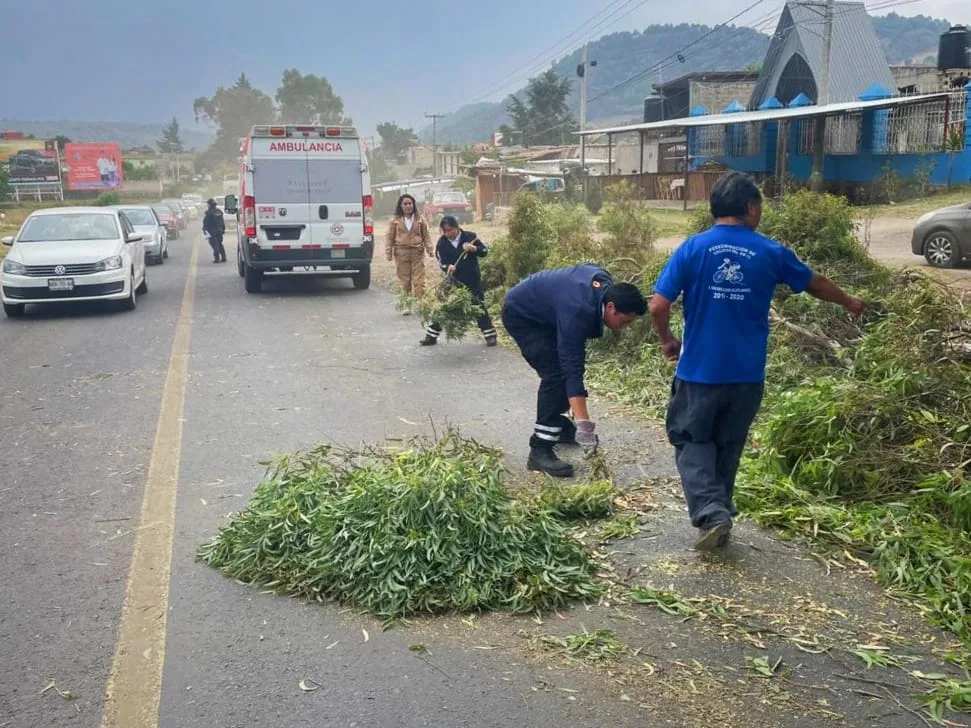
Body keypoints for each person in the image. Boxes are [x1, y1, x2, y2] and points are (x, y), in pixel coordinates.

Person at [649, 172, 865, 551]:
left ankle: (713, 514)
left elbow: (658, 305)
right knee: (729, 442)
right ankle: (720, 512)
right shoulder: (769, 252)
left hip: (699, 371)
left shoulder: (693, 248)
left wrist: (668, 340)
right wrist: (849, 301)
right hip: (747, 375)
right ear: (750, 208)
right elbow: (814, 283)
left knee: (691, 438)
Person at [502, 264, 648, 478]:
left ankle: (557, 426)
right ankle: (540, 449)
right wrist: (584, 424)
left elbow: (588, 269)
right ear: (610, 308)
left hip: (548, 312)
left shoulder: (604, 284)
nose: (625, 327)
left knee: (563, 376)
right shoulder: (577, 311)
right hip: (522, 316)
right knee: (556, 376)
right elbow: (572, 368)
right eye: (625, 321)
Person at [420, 215, 497, 347]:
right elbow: (441, 261)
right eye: (445, 231)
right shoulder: (442, 243)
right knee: (445, 307)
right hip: (453, 280)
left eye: (450, 230)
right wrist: (447, 267)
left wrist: (474, 249)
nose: (447, 233)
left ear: (456, 228)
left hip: (472, 279)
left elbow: (484, 251)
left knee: (479, 306)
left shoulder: (470, 237)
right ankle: (431, 336)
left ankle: (490, 335)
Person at [385, 194, 432, 312]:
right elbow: (389, 237)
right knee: (405, 280)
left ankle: (421, 305)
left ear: (413, 205)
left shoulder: (420, 219)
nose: (408, 206)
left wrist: (430, 249)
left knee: (419, 280)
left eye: (410, 203)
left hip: (417, 252)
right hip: (401, 253)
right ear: (401, 206)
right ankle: (407, 305)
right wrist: (388, 252)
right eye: (405, 204)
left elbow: (426, 235)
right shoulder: (395, 220)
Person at [202, 198, 227, 263]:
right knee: (219, 243)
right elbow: (222, 221)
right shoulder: (219, 211)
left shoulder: (209, 213)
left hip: (212, 231)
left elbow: (206, 222)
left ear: (209, 205)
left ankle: (217, 258)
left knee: (214, 244)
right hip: (220, 230)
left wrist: (204, 229)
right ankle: (224, 257)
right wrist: (223, 229)